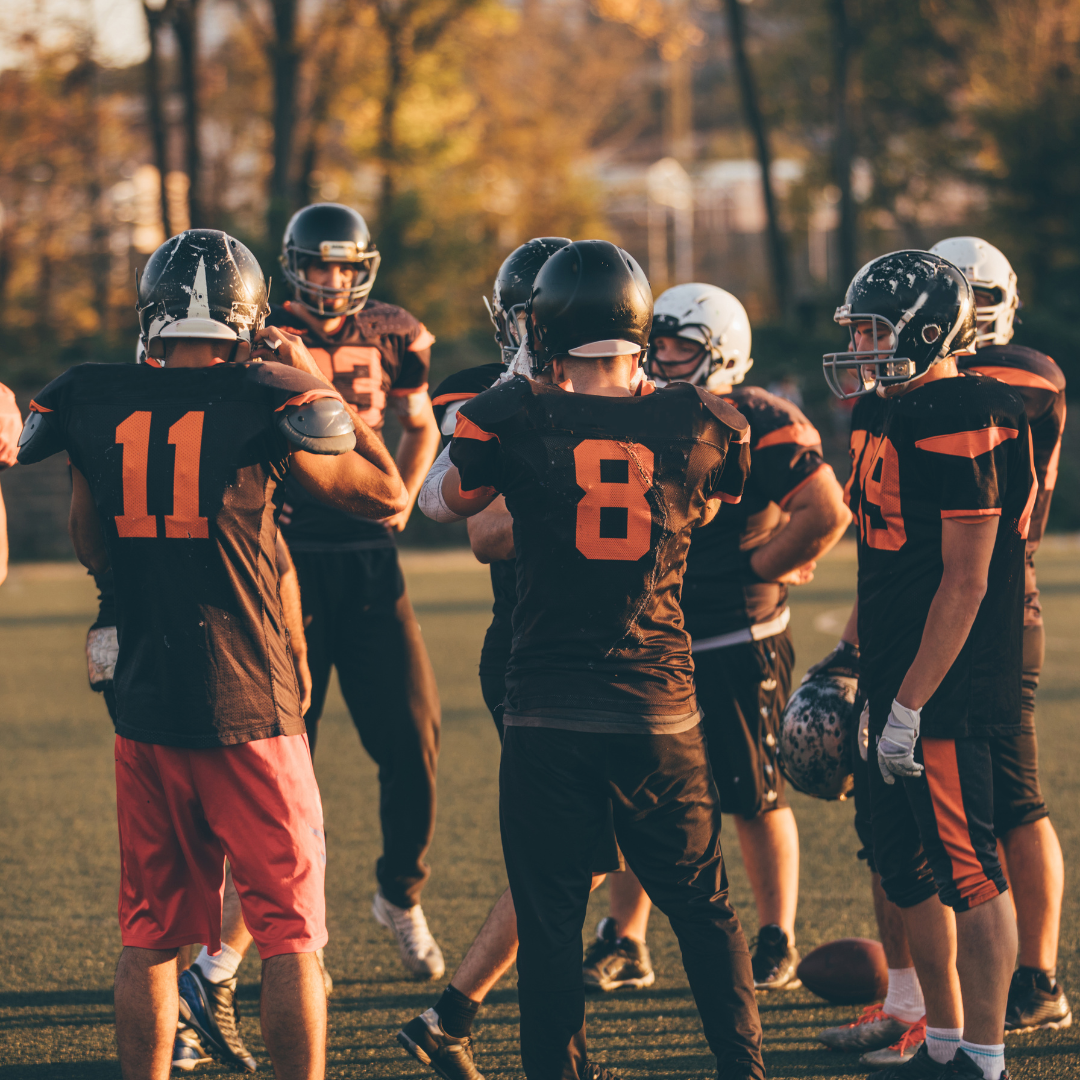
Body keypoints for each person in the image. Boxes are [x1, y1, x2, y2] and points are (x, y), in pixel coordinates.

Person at [16, 228, 409, 1080]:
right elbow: (389, 497)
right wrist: (307, 370)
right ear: (250, 315)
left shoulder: (89, 395)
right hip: (252, 703)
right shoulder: (270, 394)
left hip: (145, 702)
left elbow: (92, 544)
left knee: (151, 939)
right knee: (291, 939)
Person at [429, 239, 765, 1080]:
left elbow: (443, 502)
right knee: (705, 909)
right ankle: (743, 1069)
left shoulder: (509, 413)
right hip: (658, 702)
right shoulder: (707, 418)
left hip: (546, 706)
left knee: (548, 921)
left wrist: (513, 400)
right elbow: (715, 505)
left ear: (541, 331)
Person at [818, 239, 1070, 1072]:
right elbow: (886, 565)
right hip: (894, 666)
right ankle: (947, 1036)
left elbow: (964, 584)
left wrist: (911, 704)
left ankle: (986, 1055)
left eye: (872, 331)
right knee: (904, 864)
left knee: (969, 868)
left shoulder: (970, 413)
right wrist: (852, 663)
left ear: (924, 333)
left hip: (951, 683)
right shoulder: (883, 411)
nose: (858, 346)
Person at [581, 283, 851, 994]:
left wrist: (758, 567)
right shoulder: (639, 410)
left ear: (720, 352)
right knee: (638, 794)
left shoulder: (759, 417)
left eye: (680, 346)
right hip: (655, 635)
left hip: (737, 634)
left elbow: (826, 510)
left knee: (753, 795)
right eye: (657, 344)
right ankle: (627, 940)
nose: (663, 358)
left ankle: (775, 938)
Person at [396, 238, 579, 1080]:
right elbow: (482, 531)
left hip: (622, 652)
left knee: (576, 856)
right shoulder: (482, 393)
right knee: (561, 859)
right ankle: (465, 1018)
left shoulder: (633, 388)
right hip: (532, 652)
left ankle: (456, 1013)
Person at [265, 202, 445, 981]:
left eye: (344, 266)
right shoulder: (263, 331)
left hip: (370, 558)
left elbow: (422, 425)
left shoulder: (398, 332)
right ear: (292, 265)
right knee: (287, 752)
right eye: (317, 265)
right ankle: (296, 929)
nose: (331, 281)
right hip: (283, 556)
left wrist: (400, 496)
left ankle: (399, 894)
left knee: (413, 738)